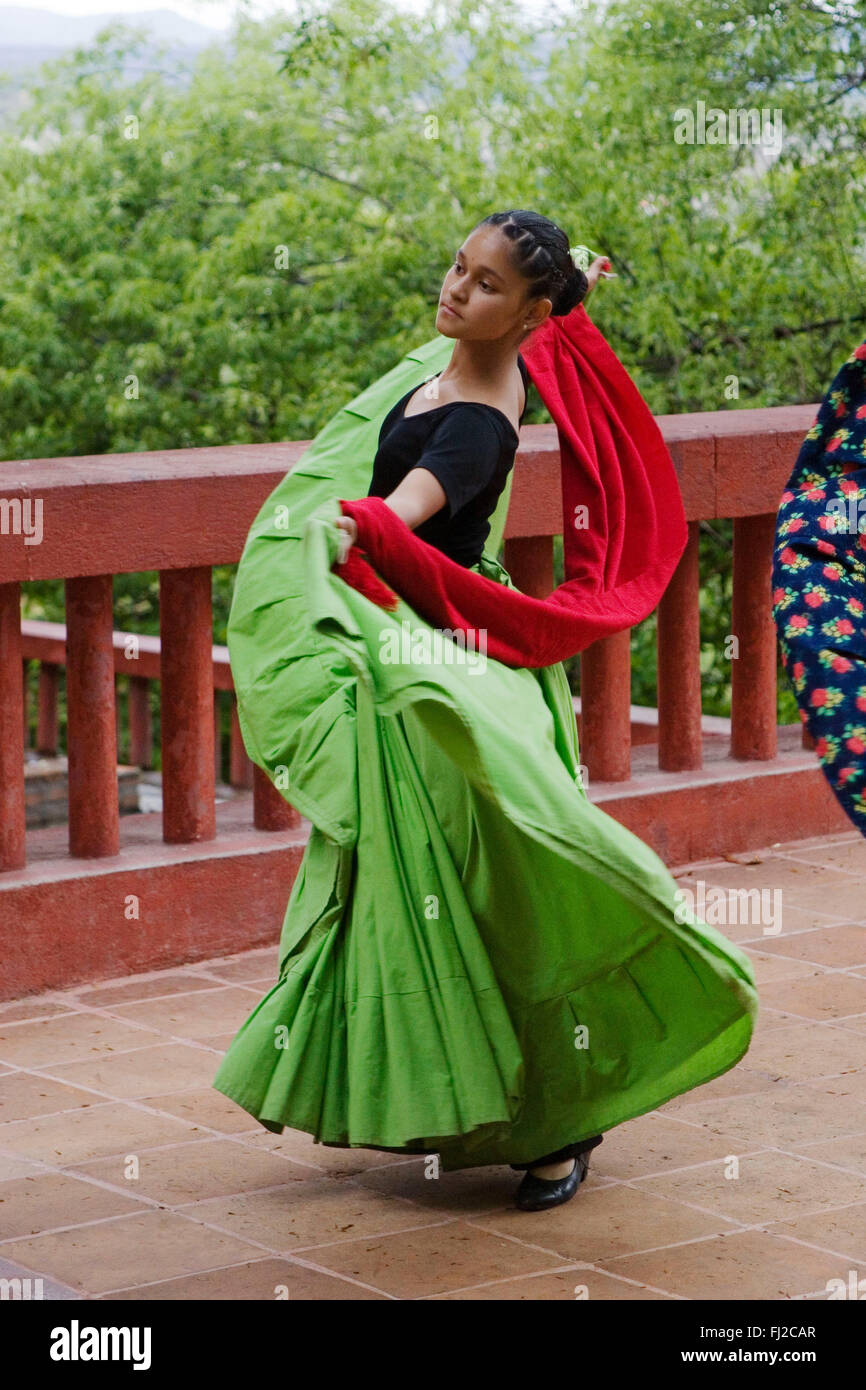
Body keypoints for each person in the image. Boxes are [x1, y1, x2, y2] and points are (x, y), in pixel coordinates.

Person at [213, 211, 758, 1215]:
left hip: (442, 667)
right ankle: (455, 1093)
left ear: (531, 312)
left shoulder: (473, 421)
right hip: (405, 657)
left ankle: (558, 1122)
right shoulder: (447, 364)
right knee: (402, 886)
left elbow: (412, 504)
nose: (456, 289)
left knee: (490, 892)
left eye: (485, 284)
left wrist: (362, 522)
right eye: (456, 267)